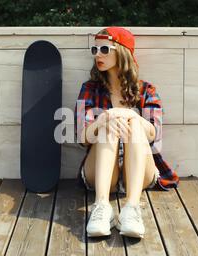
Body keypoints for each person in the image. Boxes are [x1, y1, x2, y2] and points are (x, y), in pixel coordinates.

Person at [74, 27, 179, 239]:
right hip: (101, 173)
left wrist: (130, 116)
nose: (98, 55)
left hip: (141, 174)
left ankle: (131, 208)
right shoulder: (90, 88)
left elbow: (154, 133)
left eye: (104, 48)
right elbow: (82, 137)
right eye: (95, 49)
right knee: (108, 125)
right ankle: (101, 207)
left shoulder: (146, 90)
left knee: (133, 123)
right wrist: (104, 118)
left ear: (122, 52)